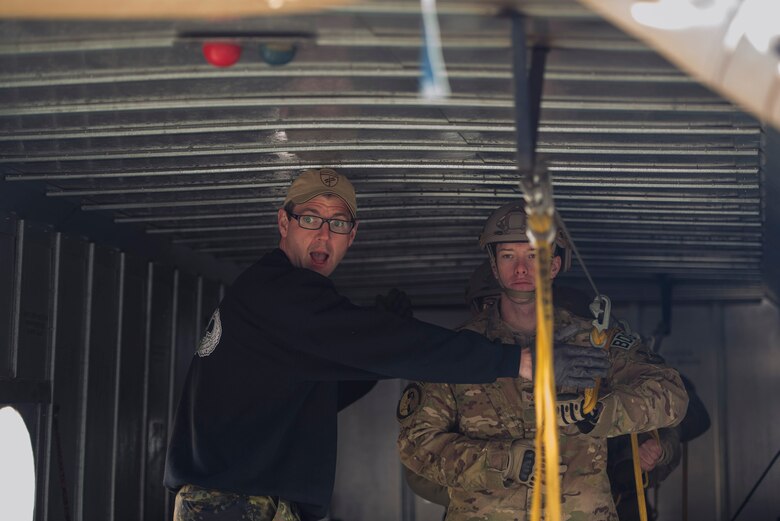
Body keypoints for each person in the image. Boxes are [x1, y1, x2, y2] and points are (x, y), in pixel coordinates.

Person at [164, 169, 563, 521]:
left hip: (236, 502)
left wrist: (380, 343)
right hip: (237, 507)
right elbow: (388, 346)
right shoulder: (281, 294)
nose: (323, 234)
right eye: (310, 219)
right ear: (283, 223)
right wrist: (515, 360)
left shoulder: (275, 300)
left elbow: (319, 389)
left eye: (338, 224)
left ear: (351, 236)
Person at [397, 201, 690, 521]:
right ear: (494, 267)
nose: (521, 268)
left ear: (553, 266)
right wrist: (502, 461)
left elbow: (671, 395)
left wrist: (600, 413)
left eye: (534, 255)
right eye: (509, 255)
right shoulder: (459, 349)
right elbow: (416, 445)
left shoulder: (594, 340)